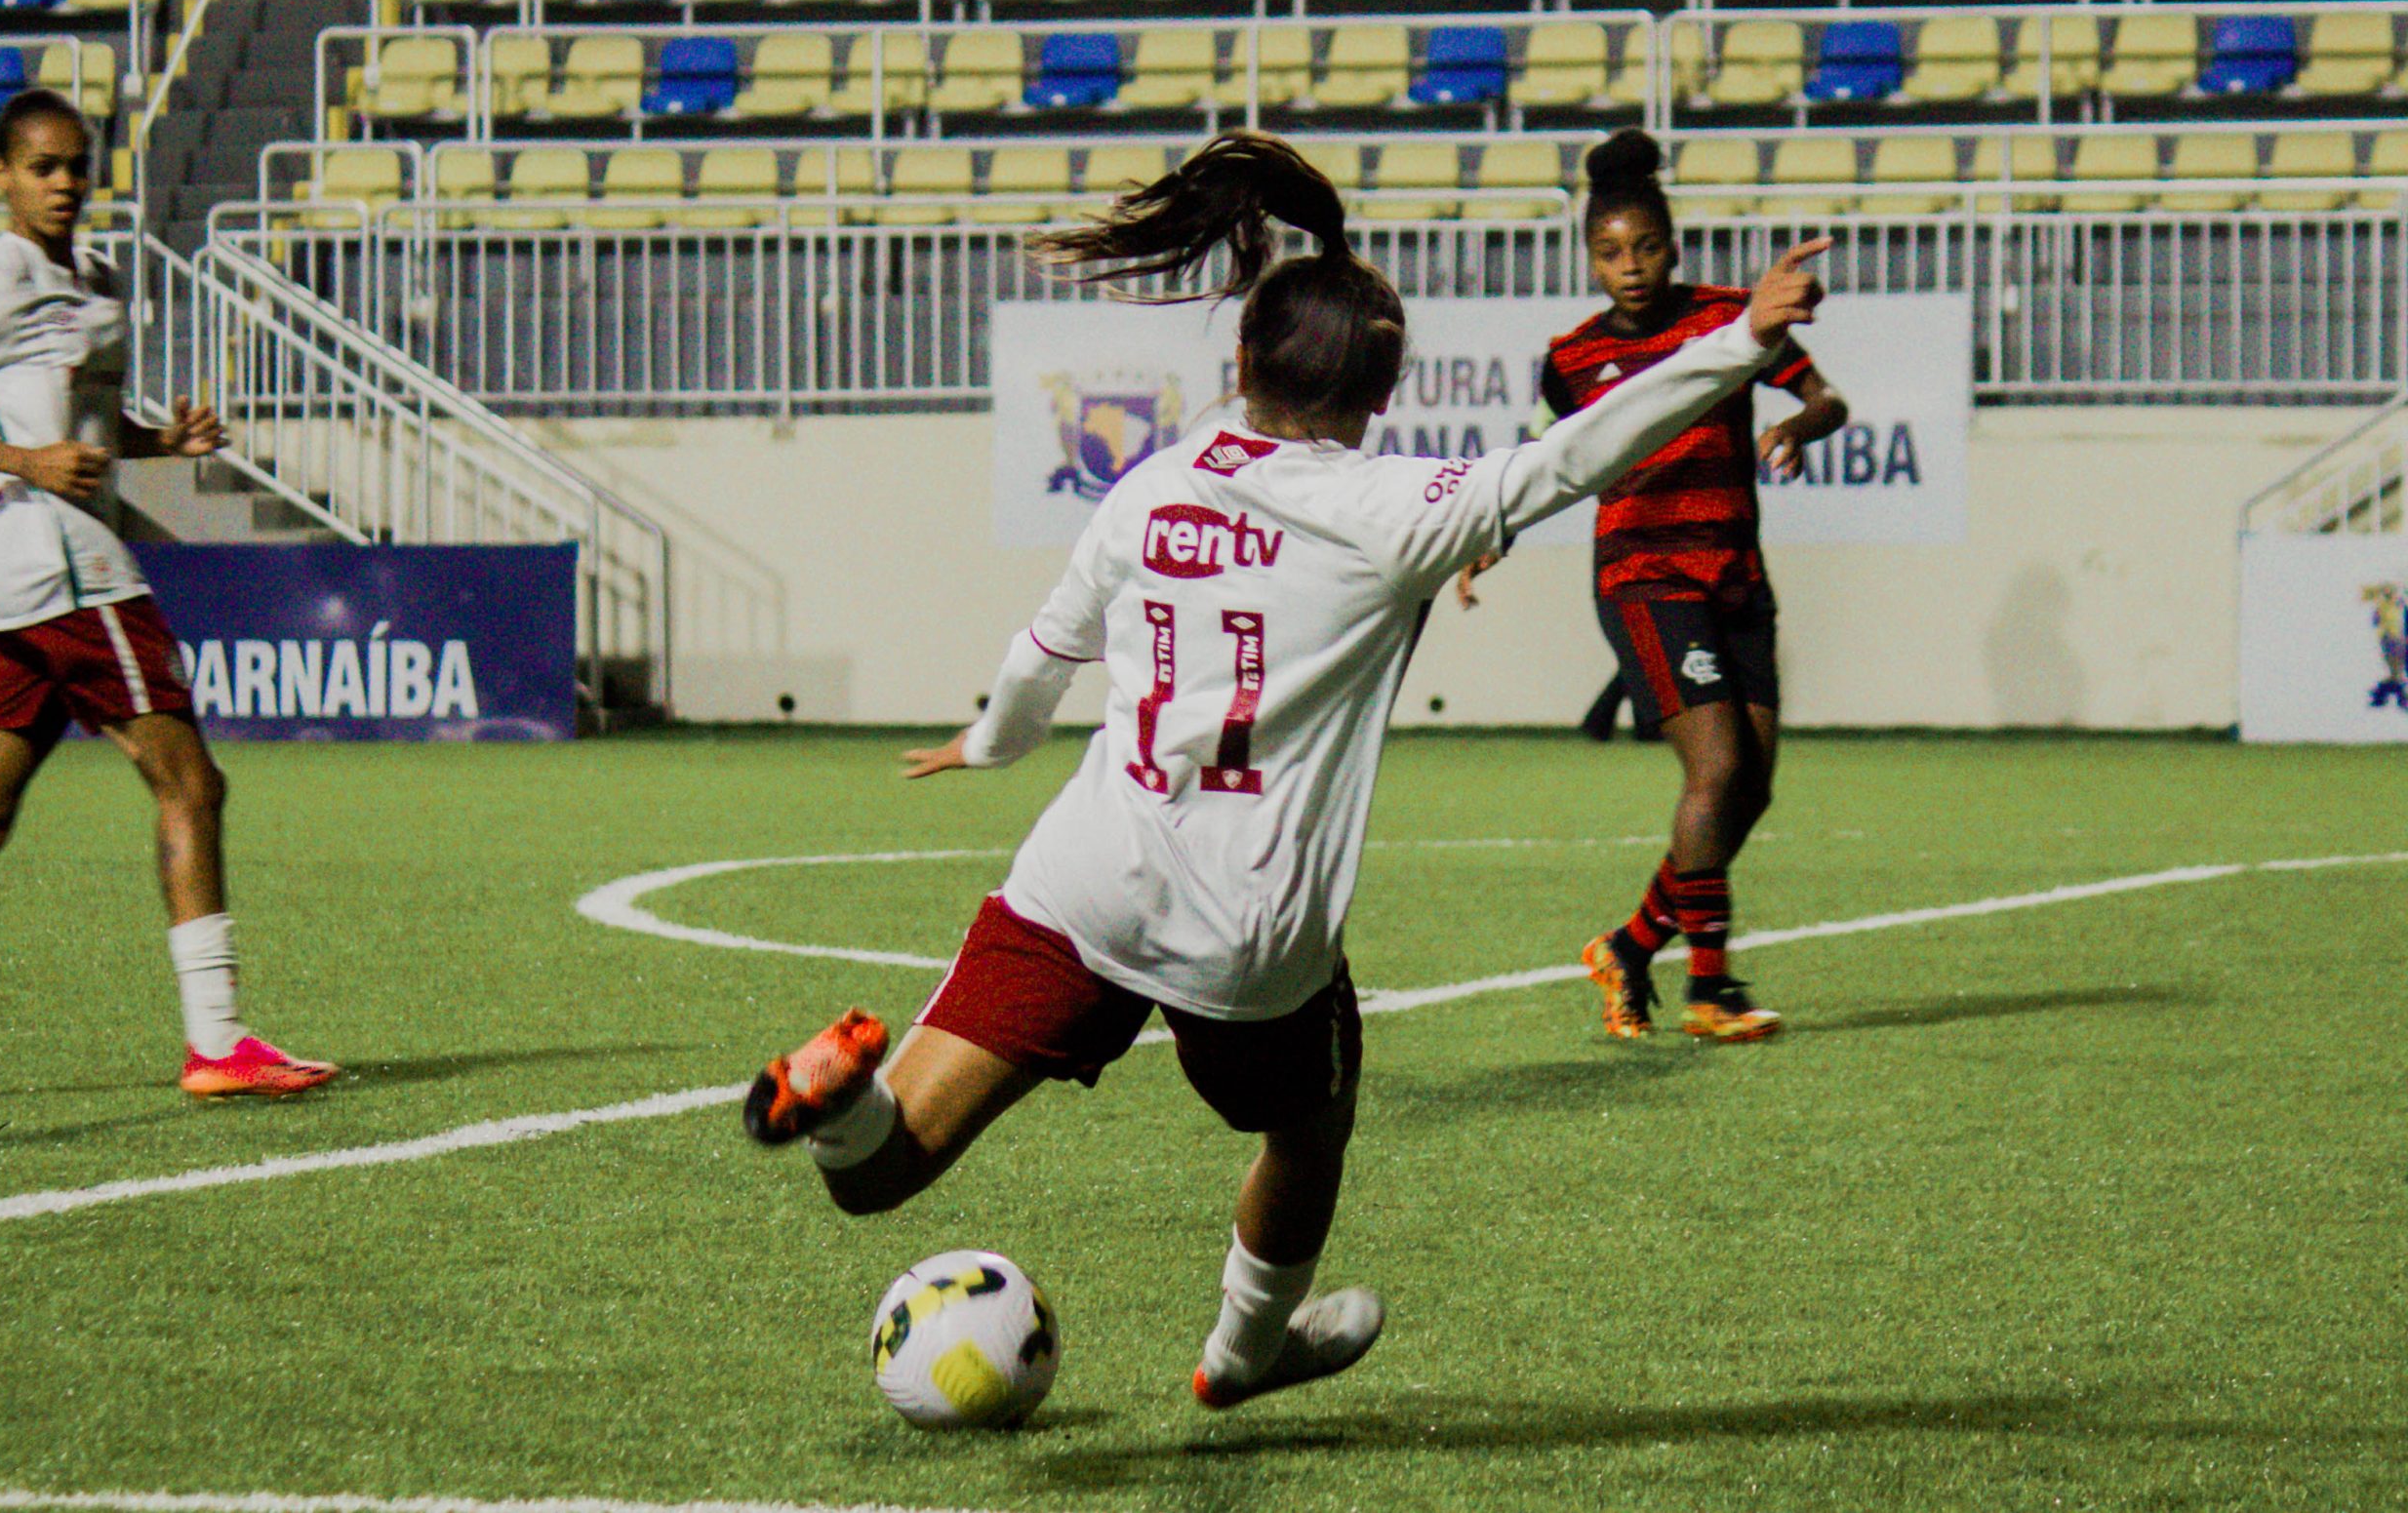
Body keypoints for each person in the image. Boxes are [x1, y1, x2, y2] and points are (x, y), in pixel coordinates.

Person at [740, 130, 1828, 1408]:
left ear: (1241, 364)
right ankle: (1246, 1350)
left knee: (883, 1169)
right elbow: (1577, 454)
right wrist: (1744, 338)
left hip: (1081, 880)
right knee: (1309, 1123)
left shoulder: (1152, 486)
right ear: (1379, 397)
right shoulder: (1401, 513)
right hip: (1244, 932)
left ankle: (834, 1104)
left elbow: (1042, 656)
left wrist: (989, 743)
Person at [0, 89, 339, 1099]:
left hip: (20, 574)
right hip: (64, 567)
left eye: (76, 165)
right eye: (42, 167)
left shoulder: (92, 274)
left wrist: (158, 442)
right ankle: (220, 1042)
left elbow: (81, 424)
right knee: (191, 786)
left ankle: (221, 1043)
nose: (63, 183)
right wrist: (14, 455)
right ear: (0, 176)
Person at [1459, 130, 1850, 1046]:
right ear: (1588, 255)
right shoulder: (1570, 356)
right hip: (1642, 576)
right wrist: (1493, 534)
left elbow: (1827, 395)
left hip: (1737, 577)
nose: (1628, 268)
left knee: (1748, 790)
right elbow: (1545, 465)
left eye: (1644, 248)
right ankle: (1711, 988)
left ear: (1674, 247)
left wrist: (1807, 421)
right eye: (1608, 251)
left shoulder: (1731, 314)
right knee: (1715, 770)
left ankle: (1630, 948)